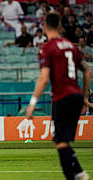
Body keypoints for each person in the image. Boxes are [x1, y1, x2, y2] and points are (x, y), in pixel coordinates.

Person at [26, 13, 91, 180]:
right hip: (76, 96)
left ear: (45, 26)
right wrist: (84, 97)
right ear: (60, 25)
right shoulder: (71, 45)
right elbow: (87, 72)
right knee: (63, 141)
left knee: (61, 142)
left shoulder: (46, 48)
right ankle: (80, 173)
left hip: (61, 96)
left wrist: (33, 103)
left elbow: (44, 77)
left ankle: (75, 175)